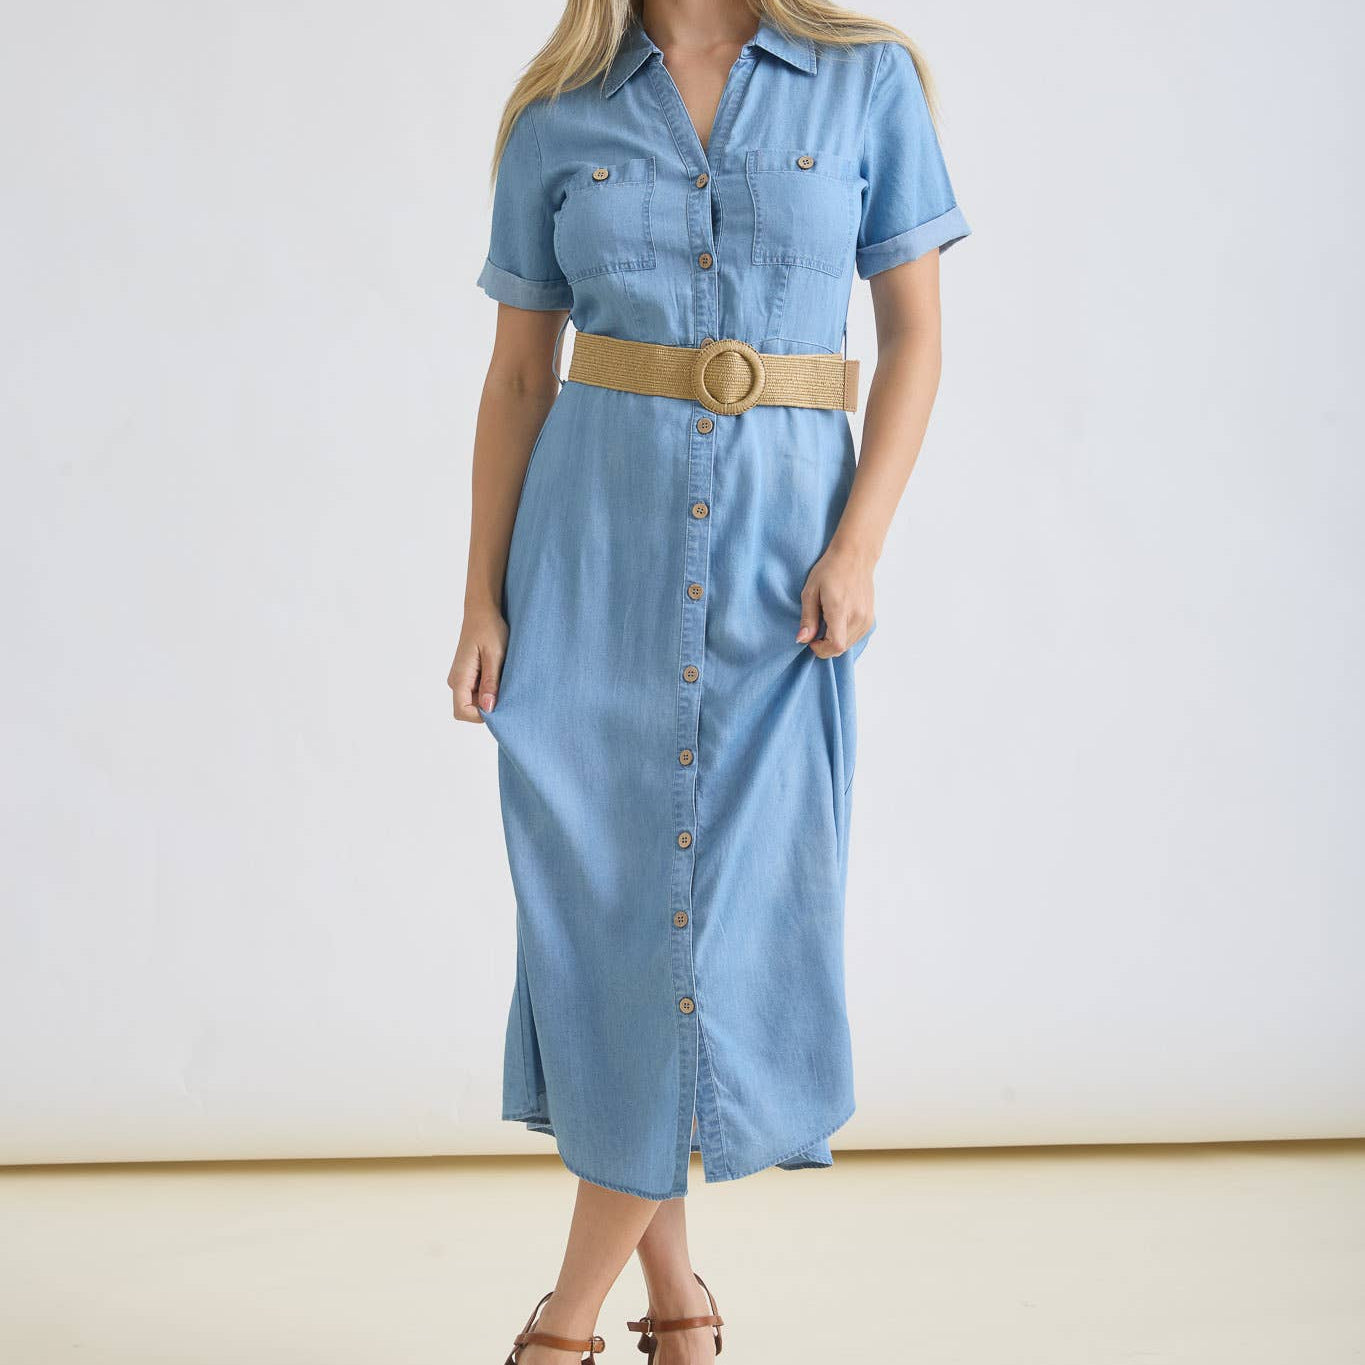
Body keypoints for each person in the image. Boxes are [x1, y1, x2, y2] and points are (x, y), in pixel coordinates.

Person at [449, 1, 969, 1359]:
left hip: (778, 572)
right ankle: (676, 1309)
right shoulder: (554, 107)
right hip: (590, 565)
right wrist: (481, 595)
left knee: (716, 931)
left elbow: (913, 337)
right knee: (620, 936)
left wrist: (858, 544)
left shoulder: (866, 86)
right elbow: (517, 377)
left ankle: (560, 1325)